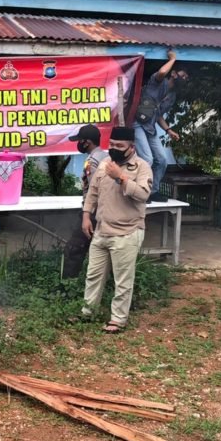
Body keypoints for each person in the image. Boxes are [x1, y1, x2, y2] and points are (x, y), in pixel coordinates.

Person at [81, 126, 153, 333]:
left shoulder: (142, 167)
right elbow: (92, 191)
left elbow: (142, 195)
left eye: (119, 146)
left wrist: (121, 176)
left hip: (127, 232)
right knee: (93, 275)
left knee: (123, 279)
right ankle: (88, 311)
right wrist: (86, 216)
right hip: (101, 230)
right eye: (111, 144)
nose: (114, 149)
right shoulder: (105, 163)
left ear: (131, 147)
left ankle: (118, 320)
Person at [132, 49, 187, 202]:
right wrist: (172, 59)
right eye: (183, 75)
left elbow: (158, 115)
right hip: (137, 123)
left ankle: (152, 191)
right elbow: (162, 72)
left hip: (151, 128)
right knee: (147, 159)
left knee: (162, 160)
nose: (184, 79)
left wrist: (168, 130)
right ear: (174, 73)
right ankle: (139, 191)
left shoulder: (172, 96)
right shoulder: (157, 82)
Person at [62, 124, 109, 279]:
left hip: (93, 212)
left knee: (74, 248)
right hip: (103, 210)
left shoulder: (92, 161)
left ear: (87, 142)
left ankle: (68, 285)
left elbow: (94, 190)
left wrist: (87, 214)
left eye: (80, 140)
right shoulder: (105, 157)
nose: (79, 144)